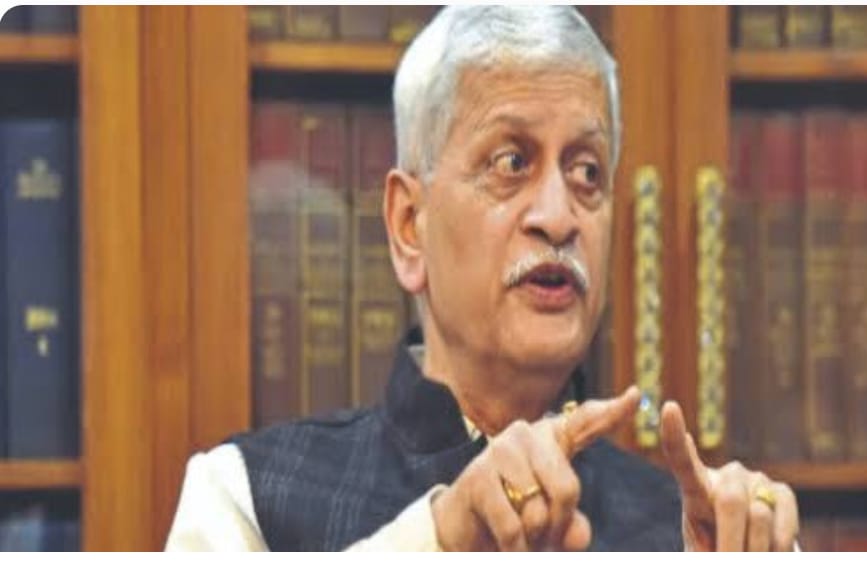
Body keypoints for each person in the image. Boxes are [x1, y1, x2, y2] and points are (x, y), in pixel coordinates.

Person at [165, 5, 800, 551]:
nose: (558, 217)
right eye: (511, 162)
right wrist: (441, 539)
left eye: (586, 172)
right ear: (409, 225)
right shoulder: (246, 494)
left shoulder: (684, 530)